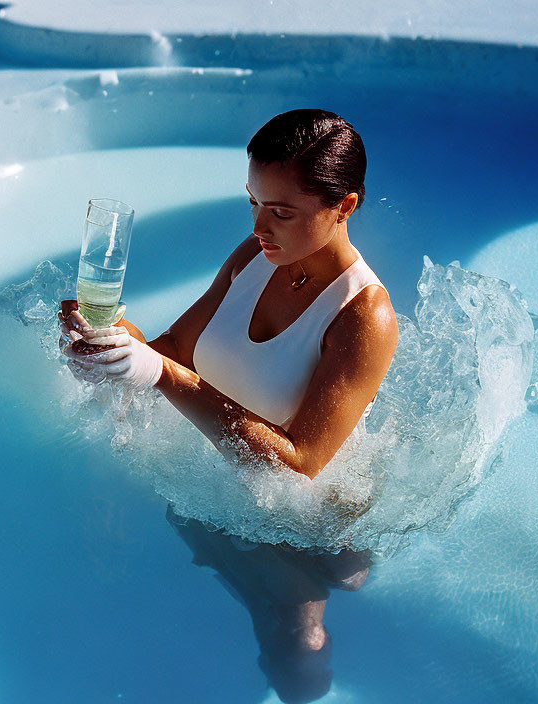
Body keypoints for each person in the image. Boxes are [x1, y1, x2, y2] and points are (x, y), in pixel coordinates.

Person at [60, 109, 398, 702]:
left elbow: (300, 466)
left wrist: (160, 375)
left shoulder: (363, 318)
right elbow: (169, 350)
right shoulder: (255, 254)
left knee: (294, 654)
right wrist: (109, 338)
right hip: (222, 489)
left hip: (309, 525)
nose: (260, 225)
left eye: (281, 211)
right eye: (253, 203)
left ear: (343, 207)